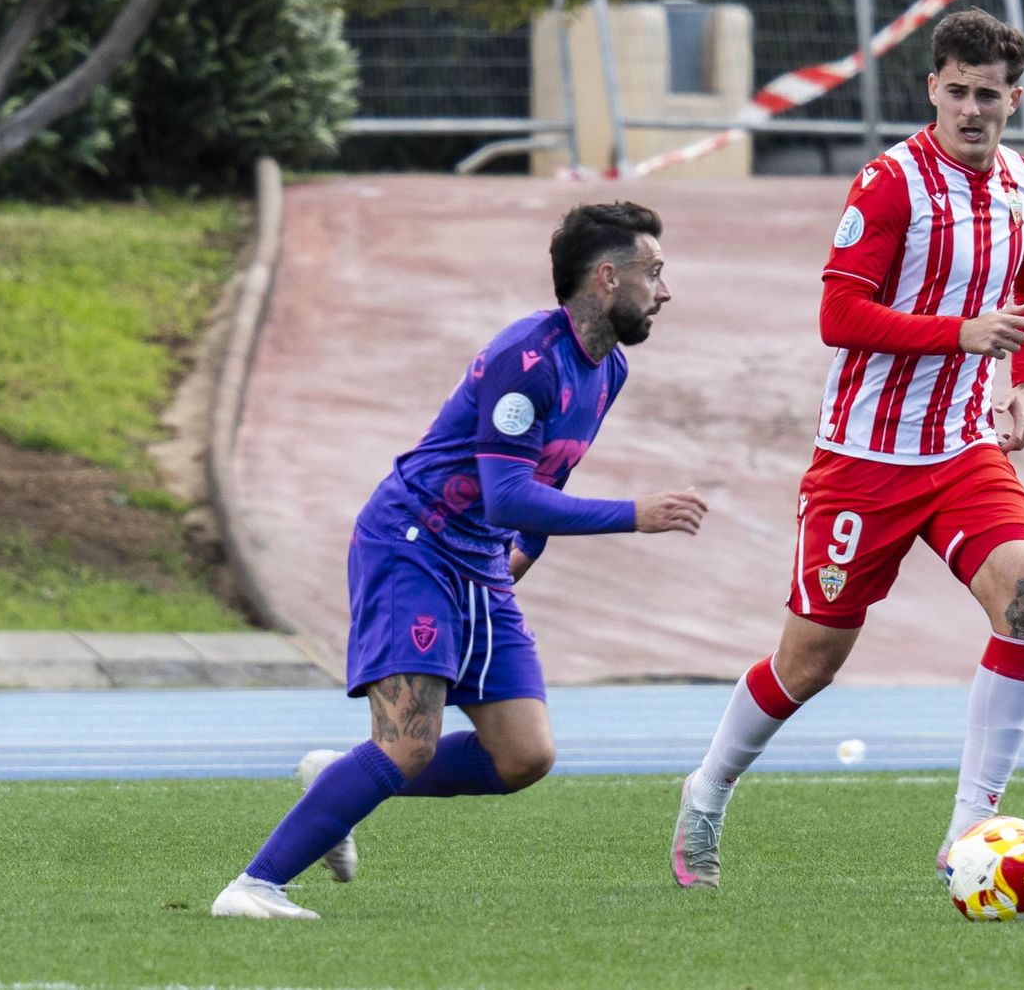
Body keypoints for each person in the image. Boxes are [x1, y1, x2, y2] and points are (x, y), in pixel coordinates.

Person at [213, 201, 707, 919]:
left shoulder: (609, 370)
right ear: (607, 278)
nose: (663, 290)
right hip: (411, 545)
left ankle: (339, 784)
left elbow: (548, 478)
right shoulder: (527, 359)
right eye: (653, 273)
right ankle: (253, 887)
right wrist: (634, 515)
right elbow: (509, 496)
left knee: (524, 756)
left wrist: (526, 553)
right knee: (409, 743)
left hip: (476, 563)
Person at [671, 7, 1024, 889]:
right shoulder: (890, 186)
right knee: (810, 661)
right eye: (955, 91)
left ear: (1013, 99)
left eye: (987, 96)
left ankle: (970, 831)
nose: (969, 109)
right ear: (931, 88)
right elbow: (837, 316)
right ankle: (707, 788)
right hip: (864, 461)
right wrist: (960, 334)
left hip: (962, 451)